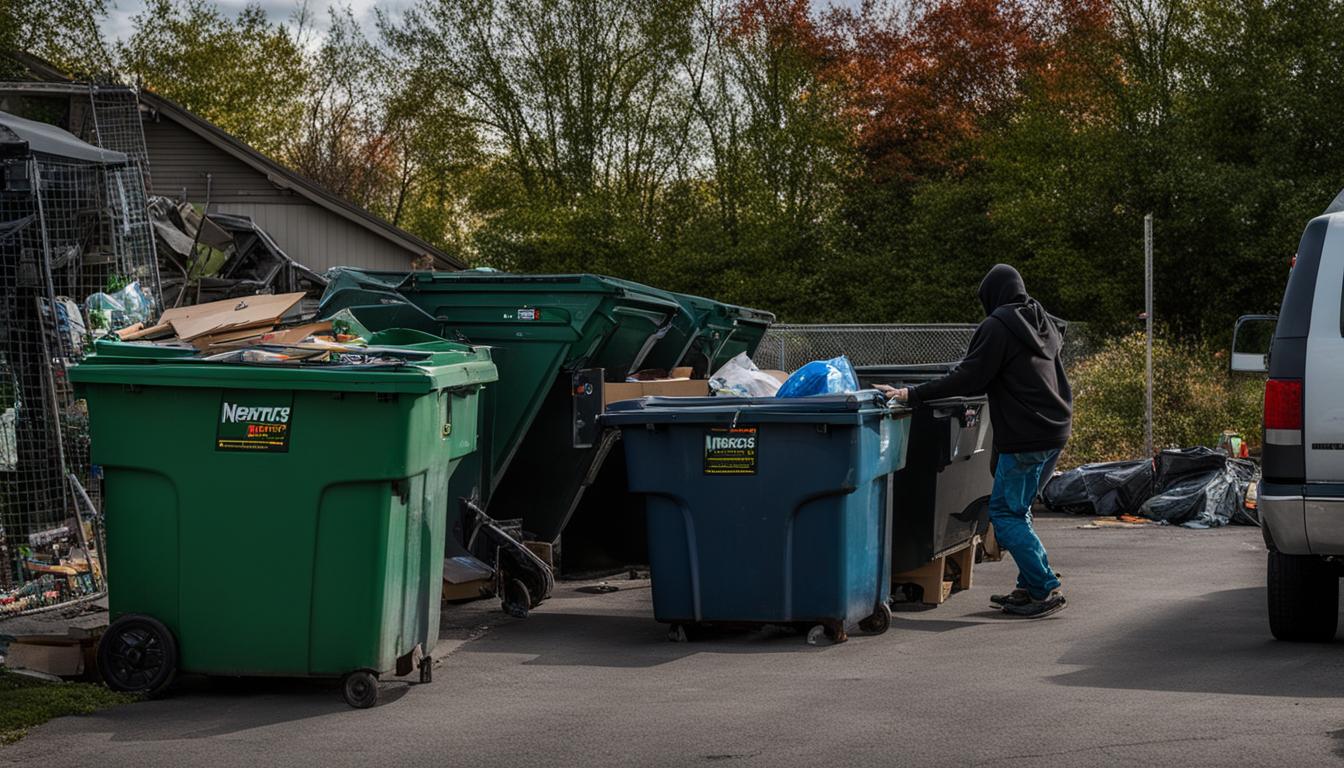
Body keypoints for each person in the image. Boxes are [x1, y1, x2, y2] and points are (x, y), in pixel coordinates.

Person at [877, 264, 1072, 618]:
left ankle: (1043, 587)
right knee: (1018, 508)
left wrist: (911, 394)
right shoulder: (1041, 323)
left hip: (1026, 436)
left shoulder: (997, 326)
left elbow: (970, 376)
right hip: (1054, 428)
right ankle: (1031, 583)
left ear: (993, 296)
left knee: (1006, 512)